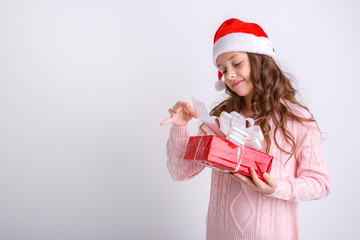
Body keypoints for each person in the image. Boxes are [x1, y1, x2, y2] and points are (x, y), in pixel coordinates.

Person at [160, 18, 330, 240]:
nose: (229, 75)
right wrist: (180, 129)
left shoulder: (296, 119)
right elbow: (180, 172)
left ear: (259, 59)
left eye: (237, 63)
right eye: (222, 69)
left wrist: (276, 187)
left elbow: (320, 184)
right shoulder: (220, 120)